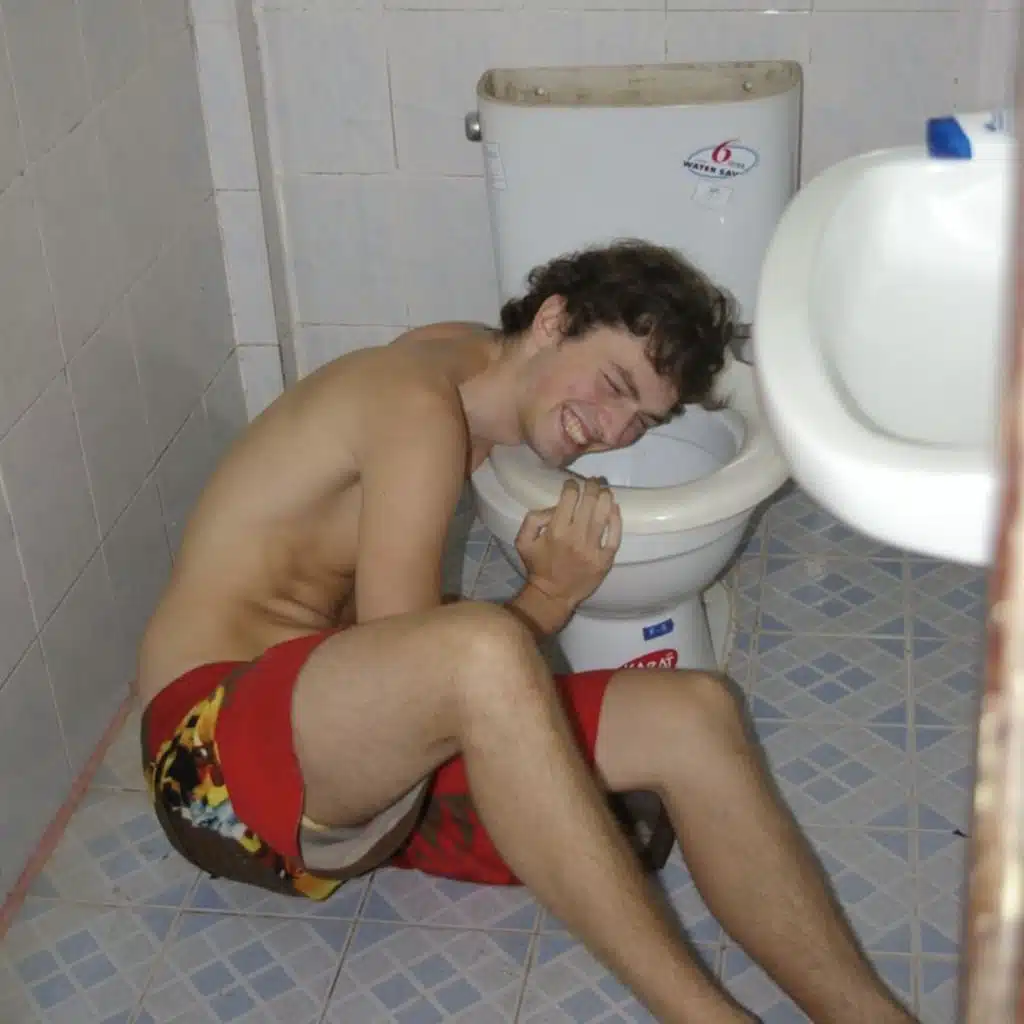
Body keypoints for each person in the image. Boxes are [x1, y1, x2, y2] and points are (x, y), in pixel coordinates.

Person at [138, 240, 917, 1024]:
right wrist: (549, 595)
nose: (611, 431)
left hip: (326, 738)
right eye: (614, 386)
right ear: (552, 321)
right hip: (210, 765)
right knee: (482, 647)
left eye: (641, 420)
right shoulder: (416, 405)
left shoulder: (468, 363)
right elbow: (418, 661)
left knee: (697, 714)